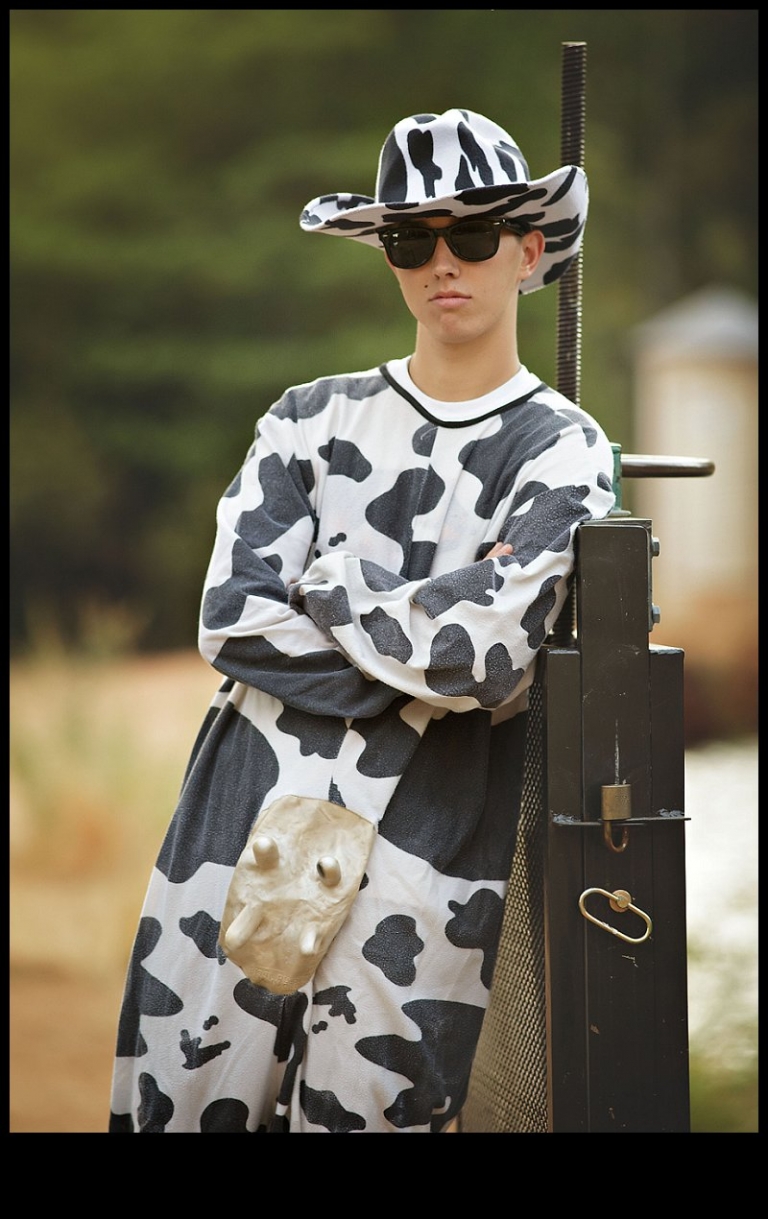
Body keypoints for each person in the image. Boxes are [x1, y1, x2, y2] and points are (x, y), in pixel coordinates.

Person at [109, 107, 616, 1133]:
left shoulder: (564, 450)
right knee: (187, 1105)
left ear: (529, 251)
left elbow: (483, 660)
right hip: (252, 817)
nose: (442, 262)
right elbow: (235, 618)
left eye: (474, 233)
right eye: (410, 238)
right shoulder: (310, 419)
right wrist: (434, 625)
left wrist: (333, 585)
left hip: (431, 845)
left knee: (372, 1115)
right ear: (388, 256)